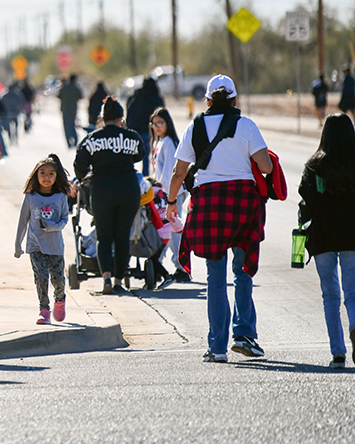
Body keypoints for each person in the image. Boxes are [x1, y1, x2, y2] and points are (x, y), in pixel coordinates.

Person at [168, 75, 273, 363]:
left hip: (208, 203)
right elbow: (264, 166)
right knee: (242, 270)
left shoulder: (195, 126)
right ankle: (244, 336)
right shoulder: (247, 125)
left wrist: (170, 203)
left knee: (216, 276)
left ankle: (217, 347)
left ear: (207, 100)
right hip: (242, 202)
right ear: (235, 100)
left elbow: (179, 172)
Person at [297, 114, 355, 369]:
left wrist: (302, 218)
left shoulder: (316, 165)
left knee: (330, 294)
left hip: (322, 236)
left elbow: (306, 203)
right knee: (353, 293)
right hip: (352, 235)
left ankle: (338, 353)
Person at [74, 97, 144, 295]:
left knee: (104, 236)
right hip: (128, 189)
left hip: (102, 190)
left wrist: (84, 176)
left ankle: (105, 278)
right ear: (121, 118)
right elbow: (140, 154)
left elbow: (79, 165)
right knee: (122, 237)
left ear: (102, 118)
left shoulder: (92, 138)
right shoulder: (131, 136)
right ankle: (119, 280)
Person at [14, 154, 72, 324]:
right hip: (35, 245)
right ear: (36, 175)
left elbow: (63, 221)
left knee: (58, 280)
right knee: (40, 278)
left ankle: (59, 300)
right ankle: (44, 310)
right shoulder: (31, 197)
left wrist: (50, 226)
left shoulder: (60, 196)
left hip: (55, 246)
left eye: (51, 174)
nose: (46, 177)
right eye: (42, 173)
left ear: (56, 176)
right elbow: (23, 220)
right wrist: (18, 243)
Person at [150, 107, 190, 283]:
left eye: (161, 123)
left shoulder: (169, 142)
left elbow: (168, 173)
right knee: (166, 229)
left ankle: (181, 266)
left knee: (173, 229)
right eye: (154, 124)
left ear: (168, 124)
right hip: (165, 192)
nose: (157, 127)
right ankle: (159, 262)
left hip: (172, 193)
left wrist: (167, 197)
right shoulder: (160, 142)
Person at [126, 76, 166, 176]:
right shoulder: (156, 98)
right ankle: (146, 177)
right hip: (149, 130)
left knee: (130, 155)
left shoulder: (135, 96)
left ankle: (131, 175)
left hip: (134, 130)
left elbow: (129, 111)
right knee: (147, 156)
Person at [58, 74, 84, 148]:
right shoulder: (76, 88)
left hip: (65, 109)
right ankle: (75, 140)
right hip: (73, 109)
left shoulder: (64, 88)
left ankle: (69, 142)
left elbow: (59, 96)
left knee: (66, 126)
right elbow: (81, 96)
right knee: (72, 125)